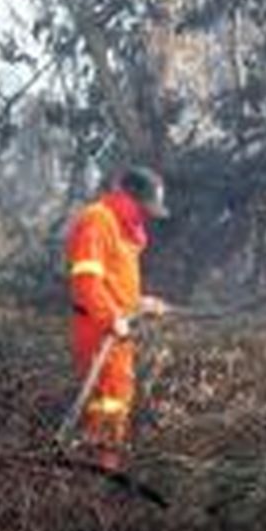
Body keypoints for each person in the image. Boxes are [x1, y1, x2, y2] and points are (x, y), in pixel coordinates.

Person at [65, 165, 169, 470]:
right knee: (108, 401)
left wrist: (141, 304)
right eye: (145, 208)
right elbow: (86, 281)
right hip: (98, 328)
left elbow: (115, 283)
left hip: (116, 327)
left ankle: (101, 467)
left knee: (114, 401)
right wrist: (112, 318)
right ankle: (99, 472)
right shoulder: (98, 220)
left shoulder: (124, 227)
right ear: (130, 198)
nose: (148, 216)